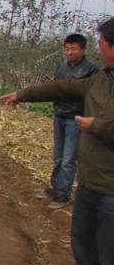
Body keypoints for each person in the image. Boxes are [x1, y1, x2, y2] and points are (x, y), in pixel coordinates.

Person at [0, 18, 114, 265]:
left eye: (102, 42)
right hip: (90, 184)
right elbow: (61, 89)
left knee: (111, 260)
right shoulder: (98, 80)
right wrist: (23, 94)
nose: (98, 47)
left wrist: (100, 127)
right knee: (85, 251)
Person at [40, 33, 98, 209]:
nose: (69, 52)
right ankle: (55, 187)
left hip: (75, 117)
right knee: (58, 156)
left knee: (68, 158)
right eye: (67, 49)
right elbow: (59, 87)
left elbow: (89, 94)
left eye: (73, 49)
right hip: (60, 115)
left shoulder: (91, 70)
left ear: (83, 49)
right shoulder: (62, 67)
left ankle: (63, 194)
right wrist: (51, 84)